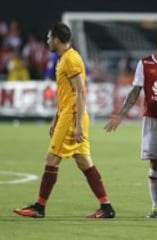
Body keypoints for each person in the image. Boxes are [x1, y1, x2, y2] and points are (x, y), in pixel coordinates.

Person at [13, 22, 115, 218]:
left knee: (51, 159)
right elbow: (66, 94)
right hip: (67, 115)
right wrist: (55, 117)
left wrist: (76, 125)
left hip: (72, 118)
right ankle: (107, 207)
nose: (47, 41)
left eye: (50, 37)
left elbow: (80, 92)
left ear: (57, 40)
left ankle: (39, 207)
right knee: (84, 162)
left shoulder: (71, 60)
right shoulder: (63, 59)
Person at [104, 31, 157, 218]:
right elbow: (135, 91)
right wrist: (121, 114)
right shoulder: (145, 63)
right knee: (155, 164)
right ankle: (155, 206)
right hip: (152, 120)